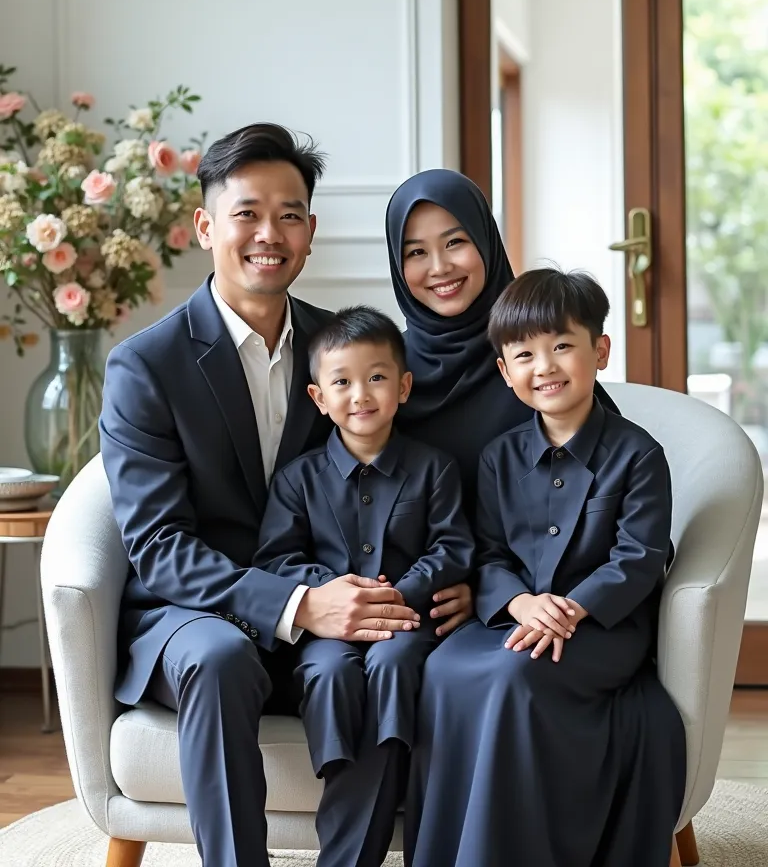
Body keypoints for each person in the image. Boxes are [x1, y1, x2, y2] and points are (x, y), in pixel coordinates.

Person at [99, 124, 429, 867]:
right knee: (219, 658)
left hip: (324, 596)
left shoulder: (343, 352)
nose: (268, 234)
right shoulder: (145, 366)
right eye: (247, 212)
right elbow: (157, 546)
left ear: (310, 232)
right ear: (206, 226)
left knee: (386, 647)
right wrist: (296, 606)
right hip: (188, 616)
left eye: (289, 215)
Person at [405, 268, 687, 867]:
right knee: (443, 668)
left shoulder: (639, 455)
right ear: (506, 373)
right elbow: (487, 551)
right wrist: (519, 603)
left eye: (562, 345)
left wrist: (572, 608)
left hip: (604, 629)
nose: (546, 366)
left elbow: (639, 557)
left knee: (515, 677)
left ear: (599, 351)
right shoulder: (499, 456)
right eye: (525, 354)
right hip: (516, 616)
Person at [255, 305, 474, 866]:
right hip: (326, 634)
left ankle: (382, 766)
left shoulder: (435, 468)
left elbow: (453, 548)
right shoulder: (297, 479)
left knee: (395, 663)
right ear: (318, 398)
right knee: (328, 670)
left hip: (407, 624)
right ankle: (345, 768)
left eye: (376, 377)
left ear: (403, 386)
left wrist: (400, 592)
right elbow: (277, 559)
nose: (361, 394)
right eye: (342, 382)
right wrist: (333, 593)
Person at [385, 167, 619, 636]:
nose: (439, 267)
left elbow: (607, 514)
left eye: (455, 242)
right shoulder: (385, 376)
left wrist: (491, 590)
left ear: (487, 242)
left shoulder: (538, 369)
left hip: (529, 608)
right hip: (409, 608)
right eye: (416, 252)